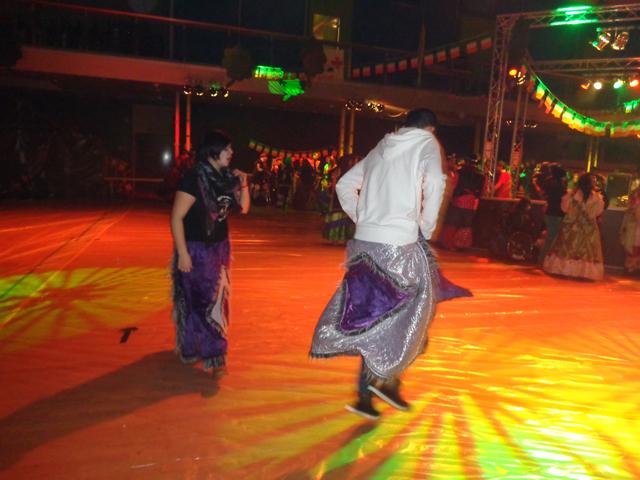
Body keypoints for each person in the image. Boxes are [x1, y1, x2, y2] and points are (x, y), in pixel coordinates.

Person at [310, 108, 446, 420]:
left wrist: (364, 217)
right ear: (430, 129)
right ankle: (385, 382)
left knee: (378, 314)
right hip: (399, 242)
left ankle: (376, 389)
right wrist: (426, 226)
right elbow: (436, 183)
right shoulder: (426, 142)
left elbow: (344, 185)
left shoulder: (382, 147)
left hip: (365, 242)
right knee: (412, 313)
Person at [170, 130, 250, 372]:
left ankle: (191, 346)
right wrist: (183, 253)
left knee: (211, 300)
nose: (231, 153)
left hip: (219, 248)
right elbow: (176, 217)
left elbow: (244, 207)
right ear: (213, 151)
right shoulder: (194, 179)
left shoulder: (226, 179)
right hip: (196, 248)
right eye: (227, 148)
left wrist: (243, 183)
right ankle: (213, 349)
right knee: (201, 301)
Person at [542, 173, 605, 281]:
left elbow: (564, 208)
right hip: (588, 228)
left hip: (571, 226)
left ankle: (565, 270)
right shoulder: (596, 197)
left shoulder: (572, 195)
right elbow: (597, 211)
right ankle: (584, 272)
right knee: (587, 251)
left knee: (567, 248)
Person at [537, 163, 567, 264]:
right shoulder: (559, 183)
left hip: (551, 211)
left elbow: (543, 194)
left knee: (551, 237)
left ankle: (543, 260)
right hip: (556, 212)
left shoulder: (549, 181)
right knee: (553, 238)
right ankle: (544, 260)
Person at [620, 187, 640, 274]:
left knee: (635, 248)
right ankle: (631, 268)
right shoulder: (634, 195)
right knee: (632, 248)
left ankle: (633, 268)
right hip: (633, 228)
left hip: (635, 227)